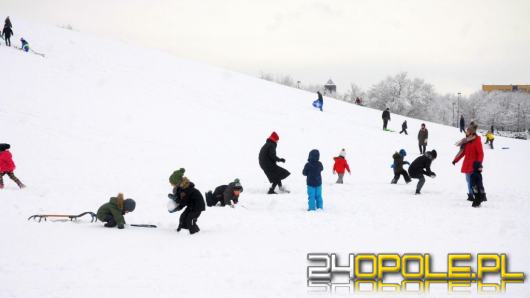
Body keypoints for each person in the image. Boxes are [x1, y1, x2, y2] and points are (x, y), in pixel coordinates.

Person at [452, 121, 484, 201]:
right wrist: (455, 160)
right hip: (467, 164)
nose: (466, 132)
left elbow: (481, 153)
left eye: (468, 131)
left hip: (474, 164)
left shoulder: (476, 140)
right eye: (467, 130)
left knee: (471, 181)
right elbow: (462, 153)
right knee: (468, 180)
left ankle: (472, 195)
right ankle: (472, 193)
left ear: (472, 132)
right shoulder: (466, 141)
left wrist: (479, 164)